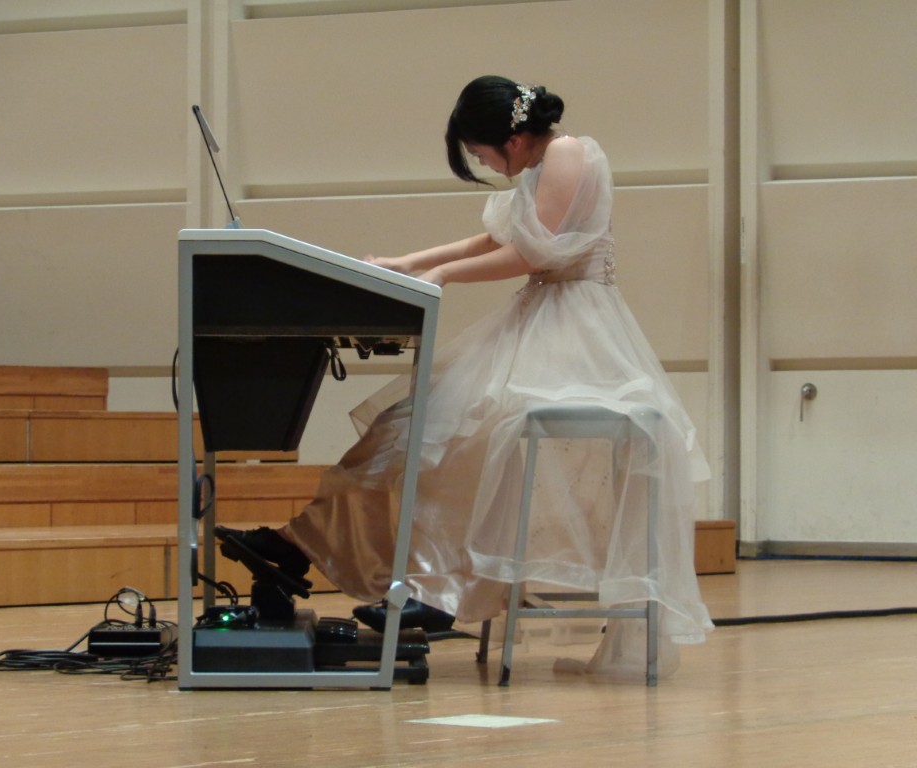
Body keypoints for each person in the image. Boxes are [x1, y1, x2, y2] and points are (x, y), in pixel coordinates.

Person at [217, 75, 713, 677]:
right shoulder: (540, 165)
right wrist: (411, 262)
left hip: (575, 335)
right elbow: (498, 237)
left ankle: (435, 589)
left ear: (512, 137)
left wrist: (443, 276)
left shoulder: (567, 153)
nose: (483, 164)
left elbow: (532, 253)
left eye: (480, 152)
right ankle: (303, 544)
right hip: (541, 321)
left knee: (458, 440)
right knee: (404, 429)